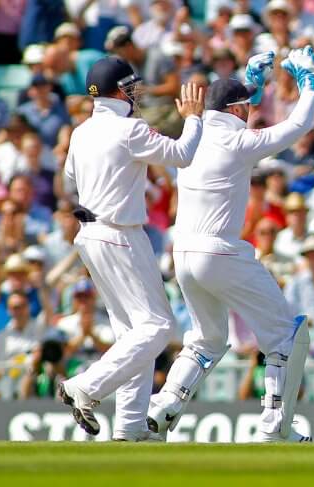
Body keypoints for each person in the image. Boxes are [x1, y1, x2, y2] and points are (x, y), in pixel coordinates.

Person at [146, 47, 314, 443]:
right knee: (288, 336)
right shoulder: (238, 142)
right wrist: (311, 83)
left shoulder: (190, 136)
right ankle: (276, 424)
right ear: (240, 111)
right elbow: (300, 124)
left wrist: (252, 88)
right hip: (219, 252)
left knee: (206, 340)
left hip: (183, 256)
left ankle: (161, 410)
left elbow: (233, 111)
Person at [58, 56, 205, 442]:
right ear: (119, 90)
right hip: (120, 234)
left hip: (90, 234)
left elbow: (69, 179)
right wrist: (193, 118)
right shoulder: (130, 129)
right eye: (132, 87)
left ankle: (130, 425)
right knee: (158, 326)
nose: (136, 93)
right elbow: (182, 155)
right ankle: (86, 387)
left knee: (133, 334)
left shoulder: (81, 132)